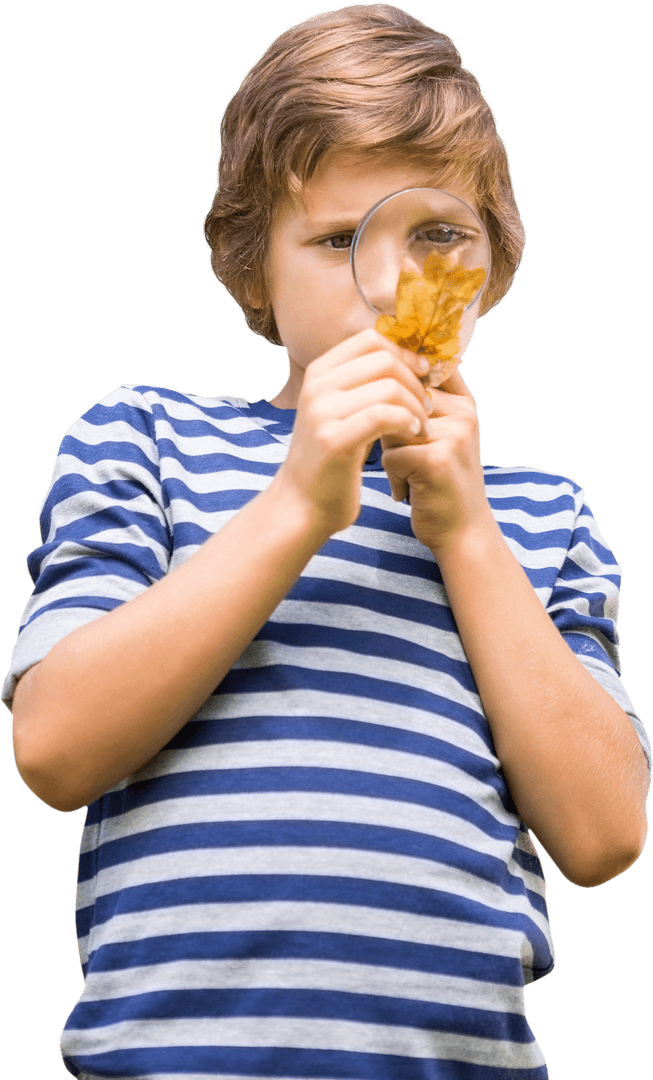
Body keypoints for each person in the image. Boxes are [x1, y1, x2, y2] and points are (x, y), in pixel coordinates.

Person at [4, 5, 650, 1078]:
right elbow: (55, 747)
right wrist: (299, 500)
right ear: (254, 269)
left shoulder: (543, 516)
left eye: (435, 235)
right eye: (337, 240)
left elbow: (601, 835)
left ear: (486, 272)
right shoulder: (146, 441)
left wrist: (469, 535)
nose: (391, 285)